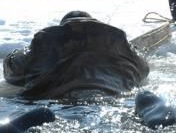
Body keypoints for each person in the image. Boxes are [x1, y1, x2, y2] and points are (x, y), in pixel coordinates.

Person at [3, 11, 149, 100]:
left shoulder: (46, 40)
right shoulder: (118, 39)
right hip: (114, 98)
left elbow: (12, 69)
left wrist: (21, 52)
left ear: (63, 24)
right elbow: (144, 69)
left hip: (55, 102)